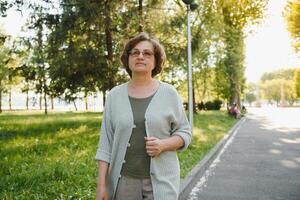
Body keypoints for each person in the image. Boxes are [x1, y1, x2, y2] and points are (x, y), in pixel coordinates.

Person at [95, 32, 192, 200]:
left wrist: (163, 144)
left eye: (147, 53)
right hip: (123, 183)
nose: (140, 56)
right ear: (128, 59)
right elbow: (105, 145)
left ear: (155, 61)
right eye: (135, 52)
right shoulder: (114, 96)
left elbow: (185, 133)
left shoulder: (169, 93)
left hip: (162, 182)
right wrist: (102, 186)